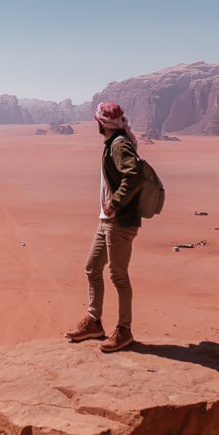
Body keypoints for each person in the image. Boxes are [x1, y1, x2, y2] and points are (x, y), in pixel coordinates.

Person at [65, 101, 144, 353]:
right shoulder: (113, 142)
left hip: (119, 221)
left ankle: (124, 330)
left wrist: (115, 202)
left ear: (102, 123)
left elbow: (134, 176)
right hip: (107, 220)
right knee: (92, 267)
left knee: (118, 276)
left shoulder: (119, 144)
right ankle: (94, 322)